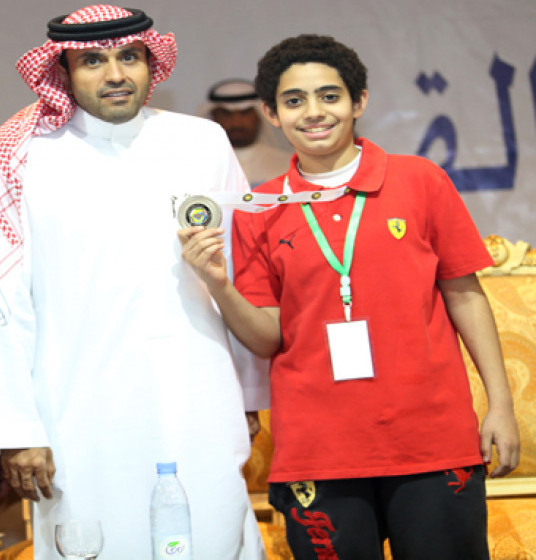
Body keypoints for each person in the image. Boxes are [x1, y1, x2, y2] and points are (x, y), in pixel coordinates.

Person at [179, 34, 520, 559]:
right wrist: (219, 284)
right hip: (318, 451)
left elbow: (466, 295)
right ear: (272, 113)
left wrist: (500, 406)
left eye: (330, 96)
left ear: (359, 101)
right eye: (294, 100)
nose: (314, 112)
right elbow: (267, 338)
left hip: (432, 442)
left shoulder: (420, 180)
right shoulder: (259, 207)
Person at [0, 4, 268, 560]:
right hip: (77, 410)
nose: (115, 75)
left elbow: (243, 272)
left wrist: (249, 393)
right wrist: (18, 429)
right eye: (93, 61)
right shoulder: (21, 157)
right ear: (62, 72)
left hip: (198, 395)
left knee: (214, 534)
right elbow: (2, 305)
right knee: (95, 540)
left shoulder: (202, 141)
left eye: (129, 57)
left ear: (151, 64)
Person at [199, 78, 292, 186]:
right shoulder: (196, 165)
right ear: (214, 117)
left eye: (245, 113)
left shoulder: (289, 165)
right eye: (226, 114)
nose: (236, 122)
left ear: (259, 116)